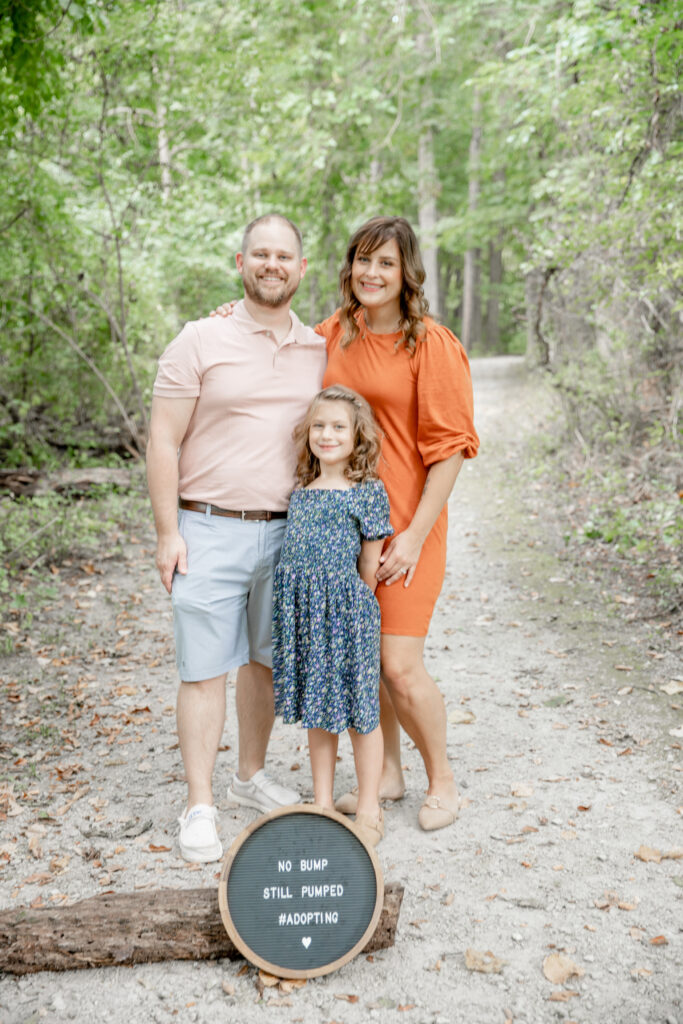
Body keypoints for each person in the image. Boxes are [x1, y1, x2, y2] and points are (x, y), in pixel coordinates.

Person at [214, 215, 479, 832]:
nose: (372, 273)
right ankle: (386, 772)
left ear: (405, 272)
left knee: (399, 664)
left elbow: (450, 449)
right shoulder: (333, 334)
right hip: (339, 532)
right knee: (362, 654)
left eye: (386, 263)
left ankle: (442, 779)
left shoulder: (430, 344)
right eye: (363, 260)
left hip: (409, 524)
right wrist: (237, 316)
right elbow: (277, 346)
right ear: (348, 268)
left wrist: (412, 536)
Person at [146, 214, 327, 862]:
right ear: (240, 263)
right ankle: (200, 805)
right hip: (208, 527)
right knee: (202, 670)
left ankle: (249, 777)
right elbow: (162, 439)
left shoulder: (320, 348)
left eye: (284, 256)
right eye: (260, 254)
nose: (272, 264)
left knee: (265, 664)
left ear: (302, 269)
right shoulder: (199, 339)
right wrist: (168, 532)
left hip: (289, 535)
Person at [272, 385, 393, 847]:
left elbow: (370, 562)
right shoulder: (302, 492)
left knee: (362, 712)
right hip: (308, 619)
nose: (327, 435)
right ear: (308, 433)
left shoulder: (366, 492)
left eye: (338, 427)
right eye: (319, 426)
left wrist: (356, 608)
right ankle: (322, 802)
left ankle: (369, 807)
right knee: (320, 714)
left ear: (356, 435)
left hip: (348, 615)